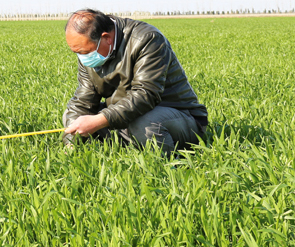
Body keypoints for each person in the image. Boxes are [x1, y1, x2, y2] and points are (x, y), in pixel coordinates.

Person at [62, 9, 208, 155]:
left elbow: (145, 95)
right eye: (77, 53)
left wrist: (100, 120)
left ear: (106, 38)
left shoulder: (147, 39)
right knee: (73, 116)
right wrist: (71, 143)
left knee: (144, 123)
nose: (82, 58)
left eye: (84, 52)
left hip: (176, 116)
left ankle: (166, 163)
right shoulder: (90, 52)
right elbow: (83, 100)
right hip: (127, 117)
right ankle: (126, 148)